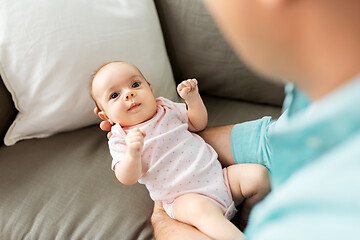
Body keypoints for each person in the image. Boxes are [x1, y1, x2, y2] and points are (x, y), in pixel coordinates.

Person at [90, 61, 271, 240]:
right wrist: (132, 154)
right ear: (105, 116)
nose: (129, 94)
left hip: (220, 178)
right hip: (183, 198)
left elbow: (197, 124)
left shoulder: (166, 107)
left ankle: (247, 220)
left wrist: (192, 100)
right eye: (114, 95)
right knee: (201, 211)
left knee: (260, 176)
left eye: (135, 85)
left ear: (150, 90)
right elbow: (127, 177)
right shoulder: (120, 137)